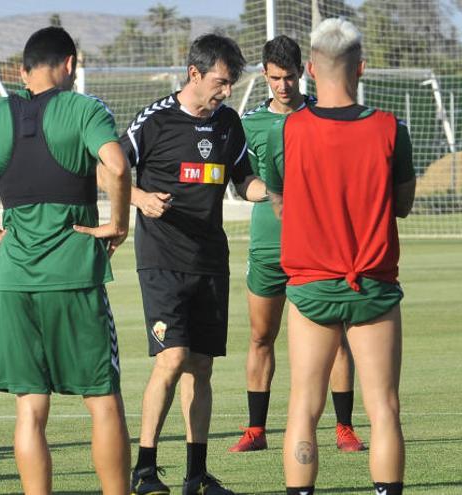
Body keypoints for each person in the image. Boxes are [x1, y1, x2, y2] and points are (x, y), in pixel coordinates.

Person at [0, 26, 132, 495]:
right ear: (69, 64)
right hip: (74, 279)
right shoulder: (84, 108)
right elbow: (116, 164)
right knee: (104, 403)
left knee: (30, 411)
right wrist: (119, 223)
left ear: (24, 70)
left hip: (14, 284)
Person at [265, 18, 415, 495]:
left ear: (308, 69)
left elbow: (280, 201)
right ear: (362, 68)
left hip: (310, 286)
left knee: (303, 407)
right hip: (372, 284)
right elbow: (404, 205)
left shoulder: (287, 131)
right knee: (383, 408)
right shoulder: (391, 129)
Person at [124, 34, 266, 495]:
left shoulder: (228, 124)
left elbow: (243, 181)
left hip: (210, 260)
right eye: (220, 83)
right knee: (173, 357)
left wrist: (275, 194)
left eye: (231, 84)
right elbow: (109, 169)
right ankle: (144, 469)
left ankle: (196, 475)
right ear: (194, 74)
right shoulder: (154, 120)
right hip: (162, 259)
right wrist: (140, 197)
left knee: (201, 367)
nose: (226, 92)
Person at [229, 34, 365, 454]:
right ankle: (255, 430)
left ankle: (344, 427)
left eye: (288, 77)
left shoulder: (323, 115)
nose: (283, 86)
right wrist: (269, 192)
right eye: (274, 78)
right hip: (268, 250)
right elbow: (241, 182)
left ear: (302, 71)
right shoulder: (247, 123)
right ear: (264, 74)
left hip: (318, 250)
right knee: (260, 337)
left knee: (336, 335)